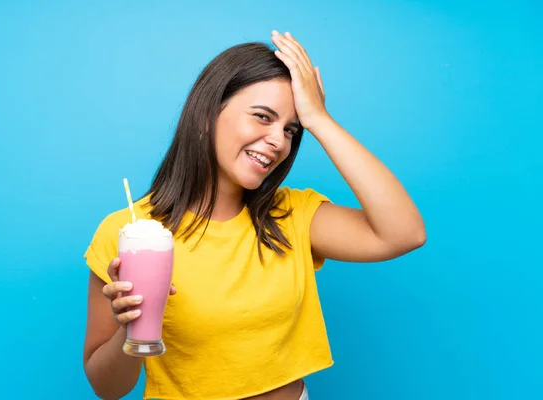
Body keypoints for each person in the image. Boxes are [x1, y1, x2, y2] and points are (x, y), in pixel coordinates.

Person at [82, 30, 426, 400]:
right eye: (263, 117)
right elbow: (107, 388)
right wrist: (128, 328)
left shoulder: (292, 215)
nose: (279, 141)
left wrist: (320, 119)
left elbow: (405, 233)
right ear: (207, 115)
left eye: (291, 129)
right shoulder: (130, 232)